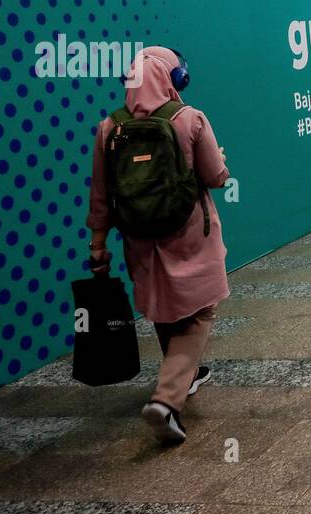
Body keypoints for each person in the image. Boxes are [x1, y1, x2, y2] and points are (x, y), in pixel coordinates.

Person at [86, 46, 231, 443]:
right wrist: (218, 159)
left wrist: (98, 245)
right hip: (189, 235)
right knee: (199, 313)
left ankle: (188, 373)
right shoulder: (189, 120)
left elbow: (101, 195)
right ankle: (166, 401)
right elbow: (216, 176)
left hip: (138, 239)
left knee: (166, 309)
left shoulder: (109, 128)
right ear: (176, 79)